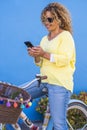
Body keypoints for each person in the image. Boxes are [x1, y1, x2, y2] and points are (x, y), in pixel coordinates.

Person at [14, 2, 76, 130]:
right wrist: (36, 55)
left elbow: (65, 59)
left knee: (59, 124)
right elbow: (40, 62)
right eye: (44, 19)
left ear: (59, 18)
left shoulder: (66, 36)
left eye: (49, 19)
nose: (46, 22)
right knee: (16, 95)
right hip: (43, 81)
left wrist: (44, 53)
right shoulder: (44, 39)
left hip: (59, 84)